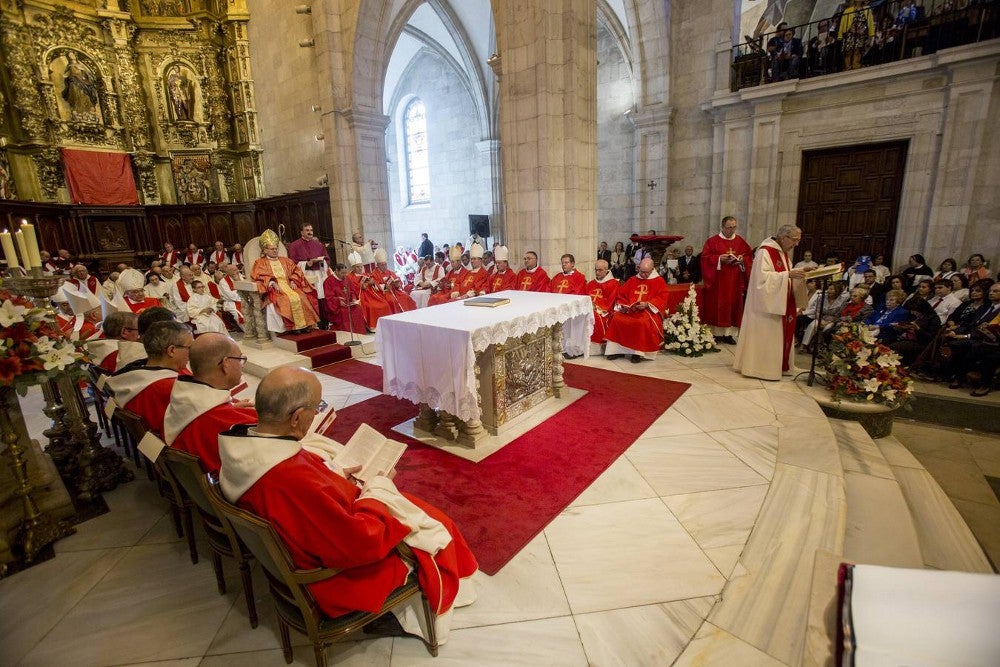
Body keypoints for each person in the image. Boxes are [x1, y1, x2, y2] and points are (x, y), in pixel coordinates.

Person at [217, 367, 478, 643]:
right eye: (316, 407)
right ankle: (410, 615)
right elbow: (361, 542)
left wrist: (336, 477)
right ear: (296, 418)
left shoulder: (245, 448)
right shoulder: (290, 480)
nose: (319, 412)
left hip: (306, 541)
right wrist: (378, 487)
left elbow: (308, 499)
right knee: (434, 528)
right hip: (335, 582)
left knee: (420, 511)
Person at [163, 333, 256, 474]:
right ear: (225, 364)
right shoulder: (234, 423)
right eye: (240, 359)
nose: (242, 366)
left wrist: (229, 407)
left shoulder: (182, 399)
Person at [733, 224, 806, 381]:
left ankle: (778, 366)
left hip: (780, 303)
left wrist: (798, 275)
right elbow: (761, 280)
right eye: (794, 240)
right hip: (765, 309)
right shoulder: (765, 251)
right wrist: (788, 274)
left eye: (798, 240)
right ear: (783, 237)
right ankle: (760, 369)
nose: (796, 244)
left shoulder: (783, 254)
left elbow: (786, 276)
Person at [106, 320, 192, 438]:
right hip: (173, 445)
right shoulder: (171, 387)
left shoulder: (134, 372)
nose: (191, 352)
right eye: (189, 347)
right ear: (171, 350)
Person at [251, 229, 320, 333]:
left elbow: (296, 270)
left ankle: (304, 325)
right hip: (276, 289)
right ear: (265, 250)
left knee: (302, 296)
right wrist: (272, 282)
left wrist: (293, 280)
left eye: (276, 248)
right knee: (285, 299)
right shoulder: (260, 262)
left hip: (289, 286)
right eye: (272, 249)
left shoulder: (285, 260)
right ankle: (292, 327)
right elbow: (257, 275)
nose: (275, 251)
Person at [604, 257, 670, 363]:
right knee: (617, 318)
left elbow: (662, 297)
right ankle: (617, 351)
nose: (643, 274)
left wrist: (647, 304)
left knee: (640, 322)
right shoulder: (633, 280)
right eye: (641, 271)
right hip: (631, 310)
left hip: (647, 312)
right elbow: (622, 295)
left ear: (652, 269)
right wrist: (624, 306)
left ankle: (636, 353)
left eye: (646, 272)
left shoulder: (659, 281)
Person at [700, 216, 753, 344]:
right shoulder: (712, 241)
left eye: (734, 227)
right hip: (718, 281)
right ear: (722, 227)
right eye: (729, 227)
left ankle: (729, 335)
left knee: (732, 306)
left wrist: (741, 260)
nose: (732, 230)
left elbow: (748, 255)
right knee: (717, 306)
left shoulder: (740, 241)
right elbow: (704, 258)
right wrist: (719, 259)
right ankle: (715, 334)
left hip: (734, 281)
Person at [287, 223, 332, 327]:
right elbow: (291, 263)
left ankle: (323, 323)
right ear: (301, 232)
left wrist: (320, 261)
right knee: (309, 298)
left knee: (320, 297)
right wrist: (306, 264)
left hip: (319, 275)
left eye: (311, 230)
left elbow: (327, 259)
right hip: (305, 275)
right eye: (307, 230)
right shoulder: (294, 245)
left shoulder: (318, 244)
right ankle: (310, 323)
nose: (310, 232)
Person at [346, 251, 391, 330]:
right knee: (371, 307)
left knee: (385, 304)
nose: (360, 268)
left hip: (372, 295)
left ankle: (386, 324)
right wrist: (361, 287)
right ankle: (373, 327)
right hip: (363, 297)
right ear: (353, 267)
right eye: (357, 267)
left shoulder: (366, 274)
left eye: (361, 266)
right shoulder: (349, 277)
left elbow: (376, 285)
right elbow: (351, 290)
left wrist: (372, 283)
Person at [321, 263, 366, 333]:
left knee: (358, 308)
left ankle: (359, 332)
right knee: (344, 312)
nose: (345, 275)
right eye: (342, 273)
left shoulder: (347, 278)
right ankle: (347, 333)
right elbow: (329, 297)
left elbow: (352, 291)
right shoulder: (328, 281)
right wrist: (339, 302)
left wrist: (354, 298)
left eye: (346, 273)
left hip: (348, 303)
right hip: (337, 306)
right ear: (336, 271)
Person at [370, 248, 417, 313]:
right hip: (383, 294)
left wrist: (397, 284)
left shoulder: (390, 272)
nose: (384, 267)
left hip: (394, 291)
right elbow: (374, 287)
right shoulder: (374, 274)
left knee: (406, 297)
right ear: (377, 265)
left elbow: (398, 281)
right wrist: (386, 287)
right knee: (392, 300)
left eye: (385, 264)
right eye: (382, 265)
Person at [586, 259, 619, 344]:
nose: (597, 273)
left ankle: (593, 344)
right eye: (596, 270)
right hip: (589, 307)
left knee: (593, 316)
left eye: (600, 270)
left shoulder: (613, 284)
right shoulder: (591, 283)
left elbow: (610, 303)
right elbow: (584, 297)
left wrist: (596, 307)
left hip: (604, 312)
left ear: (606, 270)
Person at [216, 263, 245, 330]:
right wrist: (243, 296)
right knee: (238, 315)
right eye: (234, 270)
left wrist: (238, 281)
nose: (237, 271)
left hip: (244, 299)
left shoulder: (240, 277)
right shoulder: (223, 282)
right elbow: (231, 296)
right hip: (231, 303)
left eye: (237, 269)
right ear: (228, 272)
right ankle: (248, 332)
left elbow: (245, 288)